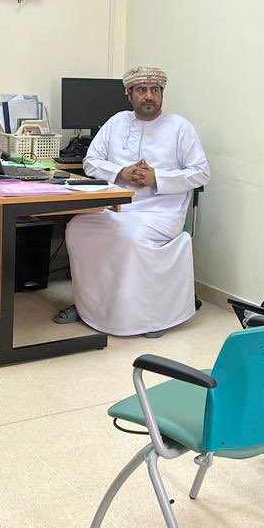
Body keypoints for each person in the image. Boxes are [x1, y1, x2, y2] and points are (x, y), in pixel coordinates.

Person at [58, 66, 210, 337]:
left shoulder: (180, 127)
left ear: (162, 94)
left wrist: (156, 178)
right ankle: (88, 306)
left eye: (155, 90)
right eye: (141, 90)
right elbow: (90, 161)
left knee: (131, 237)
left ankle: (148, 319)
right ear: (129, 94)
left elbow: (201, 173)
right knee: (78, 228)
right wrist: (121, 172)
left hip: (161, 212)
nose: (149, 96)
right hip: (118, 207)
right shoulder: (116, 122)